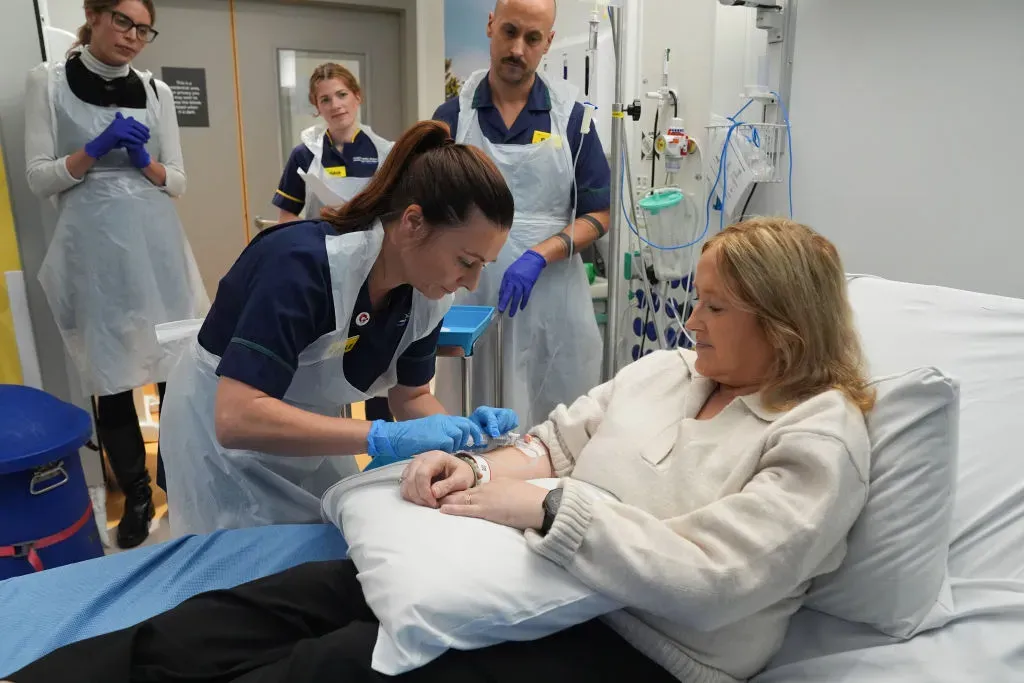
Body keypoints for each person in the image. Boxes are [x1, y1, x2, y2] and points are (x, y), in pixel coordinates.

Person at [7, 218, 876, 683]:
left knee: (339, 664)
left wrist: (541, 505)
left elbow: (716, 581)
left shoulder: (817, 435)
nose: (690, 321)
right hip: (528, 568)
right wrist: (478, 469)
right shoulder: (667, 372)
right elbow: (553, 439)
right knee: (280, 602)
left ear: (785, 323)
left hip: (638, 642)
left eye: (714, 307)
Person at [159, 120, 520, 537]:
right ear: (413, 223)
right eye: (465, 261)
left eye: (483, 267)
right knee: (243, 568)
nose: (472, 283)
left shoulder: (428, 294)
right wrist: (383, 435)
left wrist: (464, 438)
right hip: (221, 439)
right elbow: (236, 416)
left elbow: (412, 395)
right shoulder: (301, 266)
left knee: (335, 533)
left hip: (303, 420)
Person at [23, 0, 209, 549]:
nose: (133, 37)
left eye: (144, 29)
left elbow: (176, 180)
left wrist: (142, 162)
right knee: (111, 379)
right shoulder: (50, 82)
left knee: (176, 369)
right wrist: (91, 152)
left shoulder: (156, 92)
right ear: (94, 14)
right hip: (93, 250)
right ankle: (134, 496)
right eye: (123, 22)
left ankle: (180, 482)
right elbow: (38, 178)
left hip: (157, 244)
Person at [433, 0, 611, 428]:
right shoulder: (453, 118)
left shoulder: (573, 119)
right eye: (510, 32)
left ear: (548, 42)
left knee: (554, 422)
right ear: (490, 25)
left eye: (532, 38)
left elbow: (600, 214)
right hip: (470, 295)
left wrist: (540, 254)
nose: (518, 48)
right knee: (469, 417)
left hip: (551, 298)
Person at [273, 62, 397, 426]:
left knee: (376, 361)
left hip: (375, 272)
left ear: (357, 97)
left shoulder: (384, 153)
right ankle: (328, 438)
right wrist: (319, 221)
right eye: (325, 99)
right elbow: (285, 220)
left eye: (342, 94)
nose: (336, 104)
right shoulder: (305, 155)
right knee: (325, 358)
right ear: (316, 107)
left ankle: (382, 445)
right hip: (325, 272)